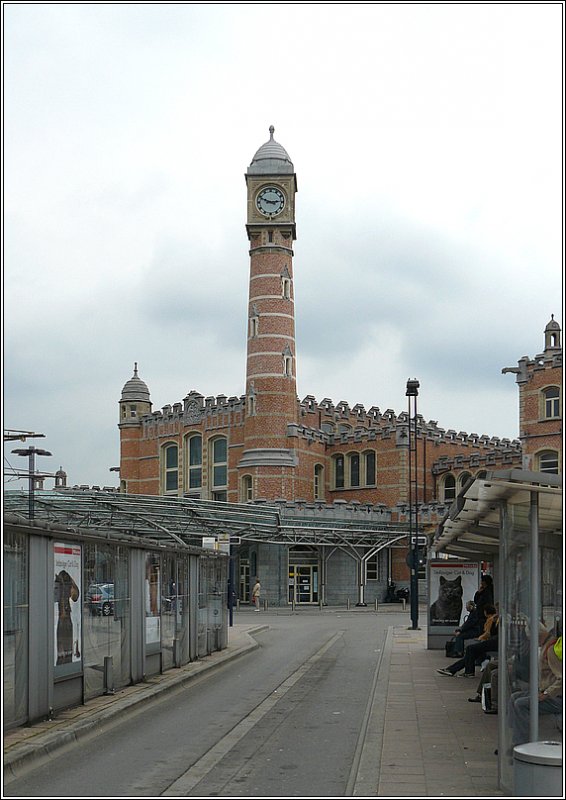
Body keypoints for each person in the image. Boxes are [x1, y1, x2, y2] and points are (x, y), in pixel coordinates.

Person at [508, 634, 562, 745]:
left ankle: (520, 743)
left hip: (557, 697)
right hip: (547, 691)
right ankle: (515, 735)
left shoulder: (551, 651)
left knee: (520, 704)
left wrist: (546, 693)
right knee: (514, 697)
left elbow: (561, 678)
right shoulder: (548, 647)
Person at [437, 604, 499, 677]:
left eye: (497, 610)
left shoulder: (496, 619)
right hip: (494, 641)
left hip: (495, 642)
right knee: (471, 654)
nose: (497, 611)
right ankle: (452, 670)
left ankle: (466, 672)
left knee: (470, 649)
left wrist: (481, 638)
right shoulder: (495, 618)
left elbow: (489, 633)